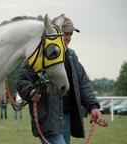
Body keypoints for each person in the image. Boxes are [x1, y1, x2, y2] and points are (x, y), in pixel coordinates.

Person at [17, 16, 105, 144]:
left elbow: (83, 83)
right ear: (55, 33)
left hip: (67, 116)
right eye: (66, 34)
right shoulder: (38, 55)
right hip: (48, 118)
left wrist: (93, 106)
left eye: (71, 34)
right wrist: (30, 91)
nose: (69, 38)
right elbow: (22, 82)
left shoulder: (72, 56)